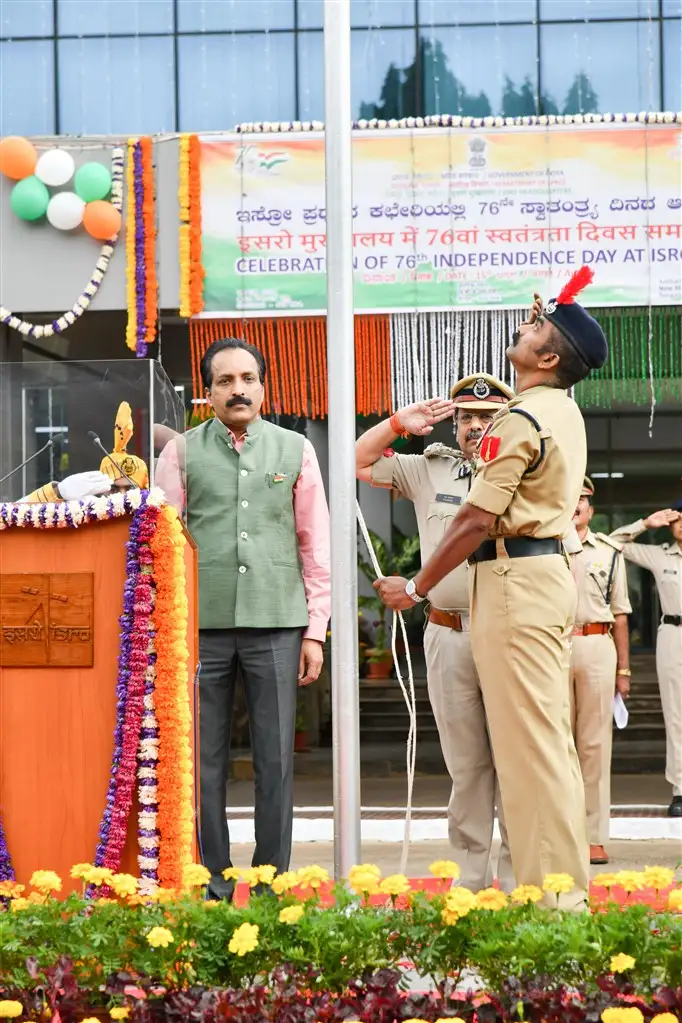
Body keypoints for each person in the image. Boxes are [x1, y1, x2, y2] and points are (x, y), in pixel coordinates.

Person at [375, 266, 608, 908]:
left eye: (537, 325)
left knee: (529, 749)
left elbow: (476, 518)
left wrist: (418, 589)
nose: (524, 325)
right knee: (540, 744)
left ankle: (554, 900)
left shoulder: (523, 417)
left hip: (514, 579)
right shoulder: (561, 411)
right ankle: (555, 891)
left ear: (549, 355)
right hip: (534, 578)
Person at [170, 336, 331, 900]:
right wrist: (166, 632)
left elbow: (315, 546)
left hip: (277, 624)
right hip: (198, 629)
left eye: (247, 379)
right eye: (224, 381)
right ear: (206, 391)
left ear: (263, 386)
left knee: (275, 763)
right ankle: (211, 881)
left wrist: (315, 630)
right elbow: (164, 546)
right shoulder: (182, 453)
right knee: (201, 761)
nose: (237, 390)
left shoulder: (295, 451)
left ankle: (269, 886)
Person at [355, 374, 515, 893]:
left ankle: (518, 883)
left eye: (486, 418)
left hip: (512, 636)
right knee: (466, 764)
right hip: (448, 635)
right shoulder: (430, 469)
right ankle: (470, 881)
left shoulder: (523, 469)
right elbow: (354, 462)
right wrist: (400, 424)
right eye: (466, 417)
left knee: (517, 758)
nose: (474, 426)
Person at [570, 476, 632, 865]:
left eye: (583, 500)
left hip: (596, 645)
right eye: (570, 498)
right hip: (552, 645)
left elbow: (621, 614)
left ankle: (593, 836)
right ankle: (560, 835)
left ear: (591, 510)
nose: (576, 505)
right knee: (555, 745)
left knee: (593, 745)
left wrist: (623, 670)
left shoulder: (609, 551)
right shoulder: (545, 547)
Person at [609, 500, 682, 817]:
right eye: (677, 519)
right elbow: (611, 542)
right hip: (673, 635)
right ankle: (681, 789)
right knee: (676, 715)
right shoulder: (660, 555)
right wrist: (644, 523)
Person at [17, 402, 148, 502]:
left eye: (130, 489)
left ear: (145, 491)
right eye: (113, 490)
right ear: (101, 492)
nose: (122, 496)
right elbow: (15, 516)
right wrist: (58, 492)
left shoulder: (159, 523)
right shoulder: (86, 515)